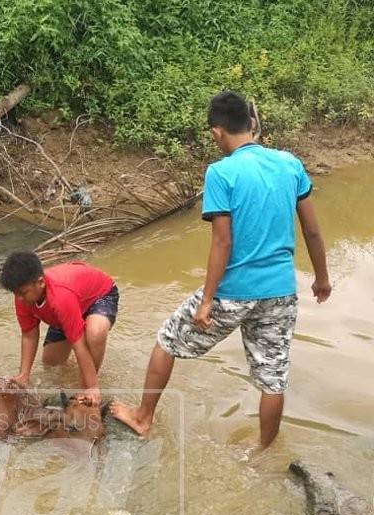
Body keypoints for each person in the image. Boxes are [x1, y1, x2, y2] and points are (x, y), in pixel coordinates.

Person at [110, 90, 332, 448]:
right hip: (280, 290)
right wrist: (322, 278)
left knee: (166, 339)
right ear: (252, 123)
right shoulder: (290, 164)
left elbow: (222, 242)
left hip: (234, 290)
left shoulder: (221, 172)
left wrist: (206, 301)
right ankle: (265, 451)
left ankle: (142, 417)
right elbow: (313, 230)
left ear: (217, 132)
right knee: (273, 378)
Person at [0, 252, 119, 405]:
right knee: (51, 364)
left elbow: (79, 344)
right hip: (69, 305)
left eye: (23, 293)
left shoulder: (60, 297)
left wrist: (91, 387)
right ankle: (83, 368)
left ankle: (88, 383)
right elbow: (29, 335)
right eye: (15, 293)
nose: (19, 298)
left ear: (41, 282)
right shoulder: (23, 298)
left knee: (94, 333)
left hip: (99, 295)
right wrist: (24, 375)